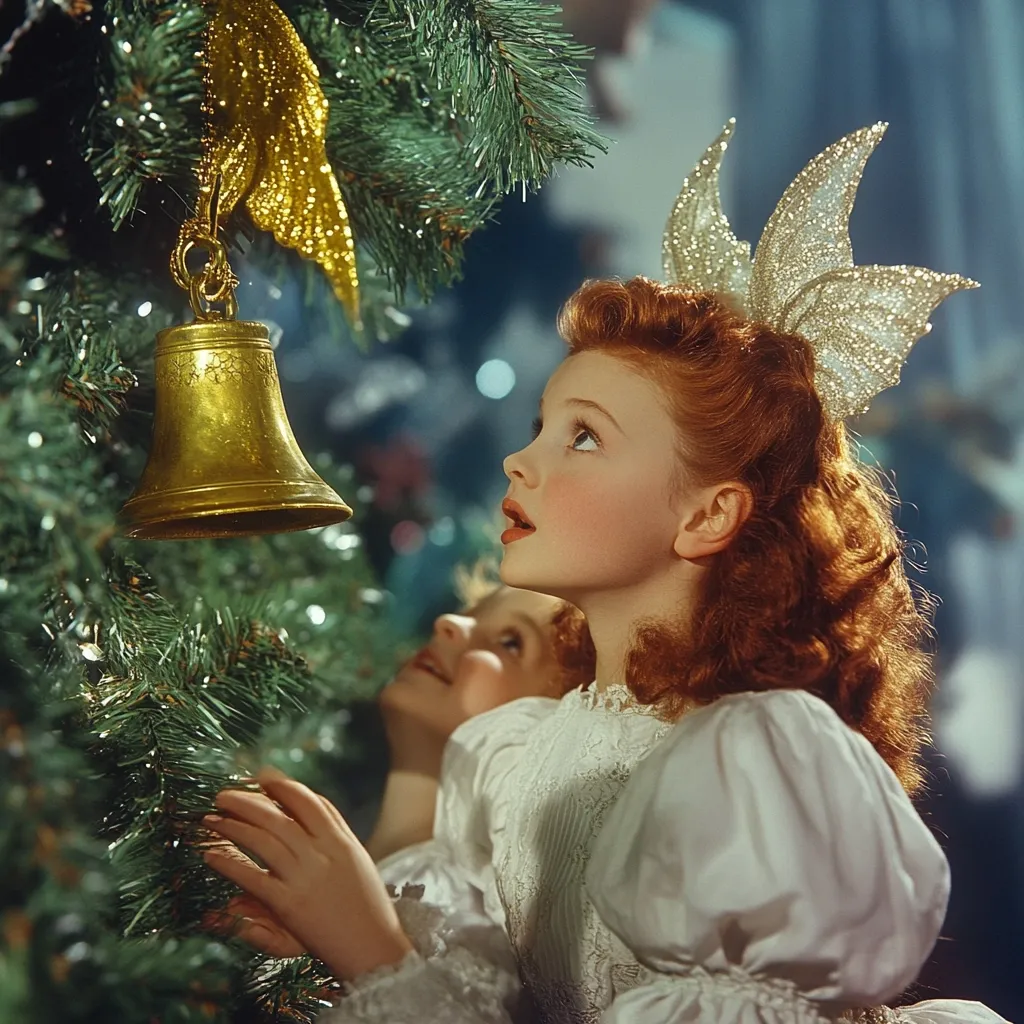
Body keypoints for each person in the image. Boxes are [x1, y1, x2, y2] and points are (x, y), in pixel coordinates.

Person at [199, 123, 1010, 1024]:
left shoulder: (752, 769)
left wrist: (371, 946)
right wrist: (351, 932)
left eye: (582, 435)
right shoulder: (506, 758)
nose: (520, 461)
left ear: (707, 516)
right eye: (541, 426)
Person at [204, 563, 592, 960]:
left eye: (511, 642)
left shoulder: (474, 905)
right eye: (474, 613)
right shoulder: (348, 851)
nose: (449, 621)